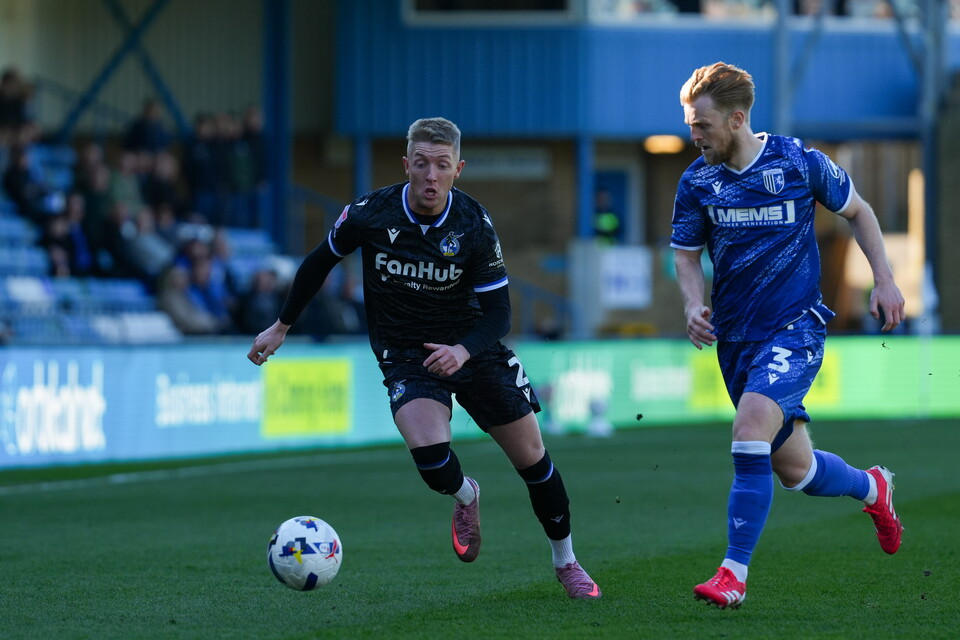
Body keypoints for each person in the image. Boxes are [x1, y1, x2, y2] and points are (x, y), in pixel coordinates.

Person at [248, 117, 601, 599]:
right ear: (406, 165)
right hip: (406, 353)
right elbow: (318, 262)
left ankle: (568, 563)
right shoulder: (371, 212)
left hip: (473, 347)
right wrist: (282, 324)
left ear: (458, 168)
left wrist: (463, 350)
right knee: (432, 458)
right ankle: (466, 495)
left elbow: (500, 313)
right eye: (421, 164)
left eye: (441, 165)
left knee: (533, 461)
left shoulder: (474, 224)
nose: (430, 176)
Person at [670, 62, 905, 609]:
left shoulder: (799, 162)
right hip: (736, 338)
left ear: (736, 118)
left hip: (794, 328)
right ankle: (874, 487)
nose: (693, 134)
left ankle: (733, 574)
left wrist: (886, 280)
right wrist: (690, 301)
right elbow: (685, 250)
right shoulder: (696, 181)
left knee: (749, 426)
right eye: (688, 123)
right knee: (795, 470)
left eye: (701, 124)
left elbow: (860, 211)